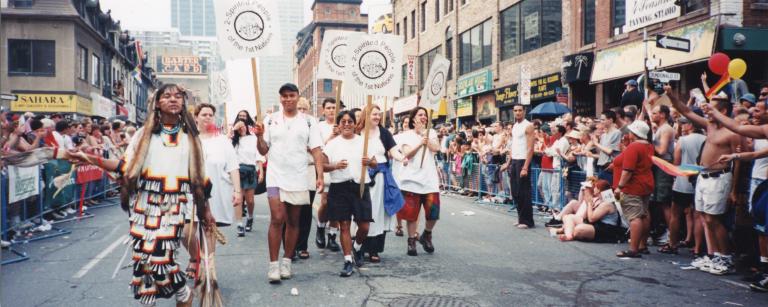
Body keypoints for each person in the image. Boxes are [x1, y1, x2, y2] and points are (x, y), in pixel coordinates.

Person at [67, 84, 209, 306]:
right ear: (157, 103)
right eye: (167, 96)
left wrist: (206, 212)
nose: (173, 99)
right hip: (142, 206)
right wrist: (89, 158)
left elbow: (200, 180)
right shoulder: (144, 135)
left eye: (178, 96)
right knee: (144, 262)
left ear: (183, 103)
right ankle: (167, 297)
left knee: (160, 257)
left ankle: (183, 294)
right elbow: (124, 166)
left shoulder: (190, 137)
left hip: (173, 206)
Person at [254, 83, 324, 283]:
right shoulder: (270, 120)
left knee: (294, 221)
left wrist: (320, 175)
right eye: (284, 96)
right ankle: (273, 266)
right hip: (276, 176)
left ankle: (287, 261)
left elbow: (317, 150)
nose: (288, 99)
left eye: (291, 95)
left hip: (299, 176)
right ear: (280, 98)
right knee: (277, 218)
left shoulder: (309, 122)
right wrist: (259, 136)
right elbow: (263, 150)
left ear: (297, 96)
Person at [669, 86, 742, 275]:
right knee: (704, 217)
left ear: (723, 111)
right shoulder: (709, 126)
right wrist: (670, 95)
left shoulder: (732, 132)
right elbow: (685, 111)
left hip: (719, 178)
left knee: (713, 219)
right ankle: (714, 255)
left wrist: (734, 190)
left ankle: (725, 258)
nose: (707, 111)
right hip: (704, 177)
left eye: (711, 108)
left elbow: (738, 162)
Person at [323, 110, 377, 276]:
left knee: (364, 226)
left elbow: (375, 163)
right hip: (339, 187)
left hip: (360, 186)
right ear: (338, 125)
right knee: (344, 225)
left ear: (355, 124)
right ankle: (347, 260)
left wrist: (370, 162)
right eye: (343, 121)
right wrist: (335, 166)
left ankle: (357, 248)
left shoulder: (363, 142)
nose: (346, 124)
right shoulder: (332, 144)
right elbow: (323, 166)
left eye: (350, 121)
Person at [361, 105, 405, 263]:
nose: (377, 117)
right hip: (363, 176)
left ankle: (375, 249)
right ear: (366, 115)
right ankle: (360, 246)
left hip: (381, 177)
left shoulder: (384, 133)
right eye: (374, 114)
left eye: (379, 115)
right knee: (365, 212)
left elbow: (393, 151)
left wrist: (402, 158)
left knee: (380, 214)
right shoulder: (359, 133)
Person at [397, 107, 441, 256]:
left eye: (425, 115)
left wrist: (425, 137)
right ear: (413, 118)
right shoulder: (405, 135)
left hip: (429, 180)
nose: (423, 117)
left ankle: (427, 234)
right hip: (411, 180)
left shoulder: (431, 133)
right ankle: (411, 241)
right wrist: (420, 142)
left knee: (433, 212)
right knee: (411, 214)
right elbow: (407, 154)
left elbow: (437, 148)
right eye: (420, 115)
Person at [612, 120, 654, 258]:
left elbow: (628, 170)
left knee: (634, 217)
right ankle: (642, 245)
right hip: (646, 183)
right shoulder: (648, 146)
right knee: (644, 214)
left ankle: (633, 249)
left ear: (634, 133)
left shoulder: (634, 147)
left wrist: (619, 187)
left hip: (633, 185)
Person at [669, 117, 706, 255]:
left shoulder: (683, 140)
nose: (681, 126)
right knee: (698, 215)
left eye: (683, 123)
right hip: (700, 181)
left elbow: (676, 161)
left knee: (676, 214)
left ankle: (672, 244)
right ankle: (697, 248)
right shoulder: (705, 139)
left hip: (682, 182)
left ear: (691, 125)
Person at [556, 180, 626, 243]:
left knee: (579, 229)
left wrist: (589, 203)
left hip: (606, 229)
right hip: (597, 224)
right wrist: (587, 201)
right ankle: (569, 236)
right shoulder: (598, 199)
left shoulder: (607, 203)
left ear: (598, 190)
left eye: (595, 187)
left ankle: (568, 229)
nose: (593, 189)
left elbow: (591, 219)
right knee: (568, 217)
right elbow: (585, 217)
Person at [501, 104, 535, 229]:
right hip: (514, 160)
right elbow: (513, 146)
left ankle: (527, 221)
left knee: (524, 192)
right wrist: (508, 163)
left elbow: (531, 148)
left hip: (523, 160)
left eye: (520, 110)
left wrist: (525, 167)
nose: (518, 113)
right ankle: (521, 218)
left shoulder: (528, 126)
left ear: (524, 111)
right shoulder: (515, 126)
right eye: (515, 111)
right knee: (515, 192)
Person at [315, 98, 342, 252]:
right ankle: (320, 227)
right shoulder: (319, 127)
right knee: (325, 203)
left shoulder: (344, 124)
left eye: (334, 107)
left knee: (338, 205)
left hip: (341, 169)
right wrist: (332, 137)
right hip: (326, 168)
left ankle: (332, 235)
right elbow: (317, 149)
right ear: (323, 110)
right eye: (329, 108)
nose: (332, 110)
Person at [231, 110, 263, 237]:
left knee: (250, 200)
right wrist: (233, 131)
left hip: (250, 170)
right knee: (238, 199)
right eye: (239, 127)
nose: (241, 129)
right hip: (238, 171)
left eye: (243, 126)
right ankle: (239, 224)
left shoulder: (253, 138)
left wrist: (260, 172)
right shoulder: (233, 142)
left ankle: (250, 217)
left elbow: (259, 155)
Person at [650, 105, 675, 247]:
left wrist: (650, 144)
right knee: (659, 202)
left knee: (664, 202)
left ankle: (672, 236)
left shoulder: (666, 129)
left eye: (655, 113)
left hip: (664, 166)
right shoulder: (660, 128)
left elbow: (662, 150)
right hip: (658, 166)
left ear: (663, 115)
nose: (652, 115)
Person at [392, 116, 411, 237]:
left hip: (412, 174)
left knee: (412, 203)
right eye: (405, 122)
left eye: (409, 123)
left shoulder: (416, 138)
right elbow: (391, 152)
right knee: (399, 200)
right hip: (398, 173)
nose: (406, 125)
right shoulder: (396, 138)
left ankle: (413, 229)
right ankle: (399, 225)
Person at [593, 110, 622, 183]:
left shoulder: (617, 133)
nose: (601, 121)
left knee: (608, 191)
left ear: (611, 120)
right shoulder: (603, 135)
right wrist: (596, 141)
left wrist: (596, 144)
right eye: (601, 120)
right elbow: (600, 152)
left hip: (609, 167)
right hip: (601, 166)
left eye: (603, 119)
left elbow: (610, 151)